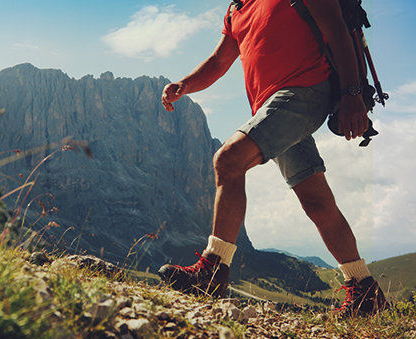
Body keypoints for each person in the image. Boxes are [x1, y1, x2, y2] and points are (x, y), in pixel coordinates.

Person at [158, 0, 387, 317]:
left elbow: (336, 30)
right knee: (315, 199)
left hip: (305, 91)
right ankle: (365, 291)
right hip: (272, 108)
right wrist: (184, 85)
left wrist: (352, 95)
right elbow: (219, 60)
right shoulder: (236, 9)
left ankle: (212, 269)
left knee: (229, 160)